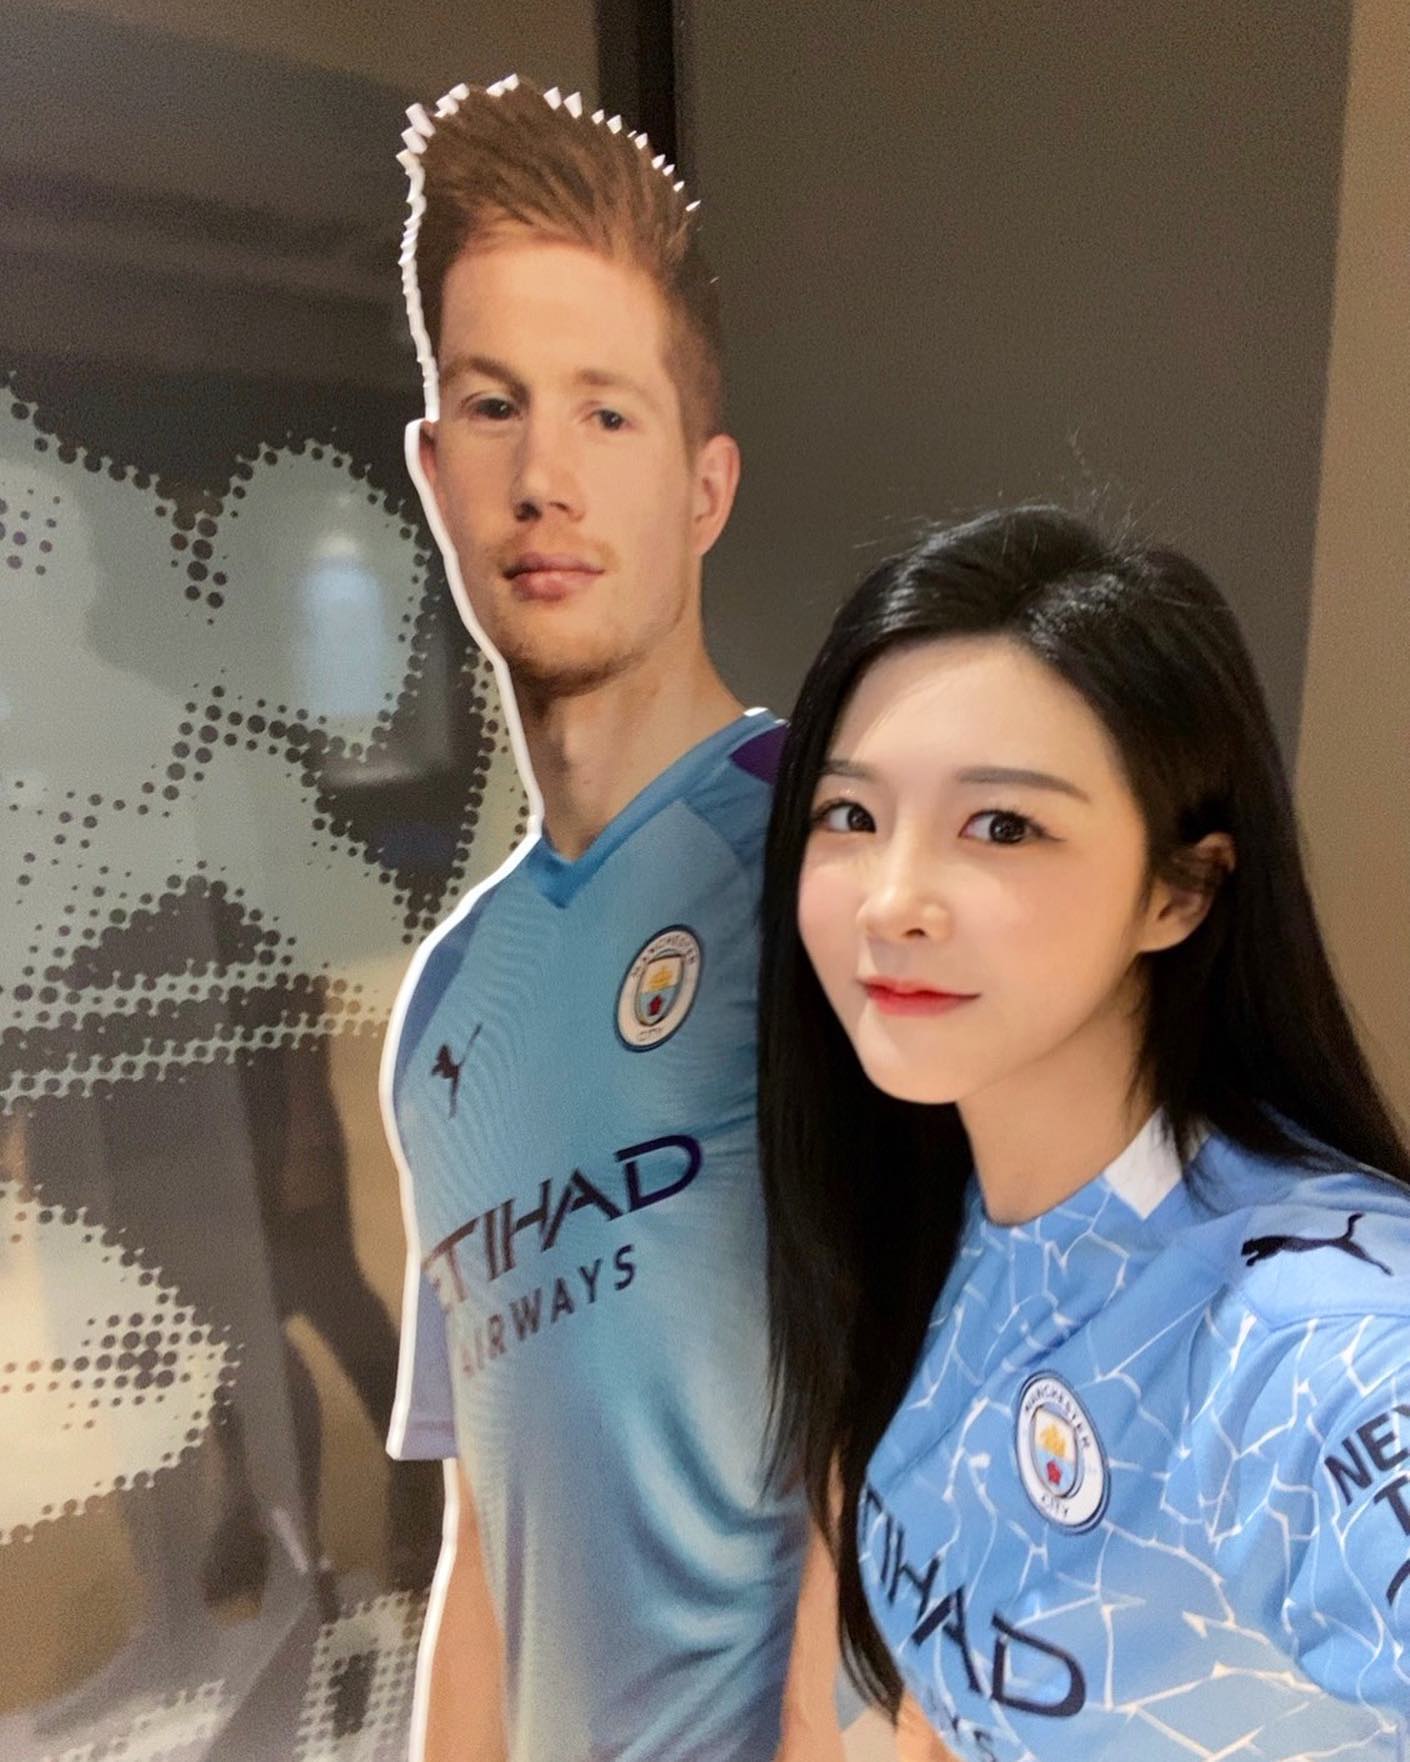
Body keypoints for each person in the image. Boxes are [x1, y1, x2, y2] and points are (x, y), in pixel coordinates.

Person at [757, 504, 1410, 1762]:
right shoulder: (927, 1216)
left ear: (1182, 888)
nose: (893, 900)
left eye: (1003, 825)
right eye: (850, 815)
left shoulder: (1312, 1336)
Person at [381, 76, 847, 1762]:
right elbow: (482, 1547)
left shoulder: (831, 871)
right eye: (493, 407)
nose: (543, 478)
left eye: (606, 414)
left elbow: (909, 1470)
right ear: (433, 468)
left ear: (705, 486)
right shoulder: (449, 1008)